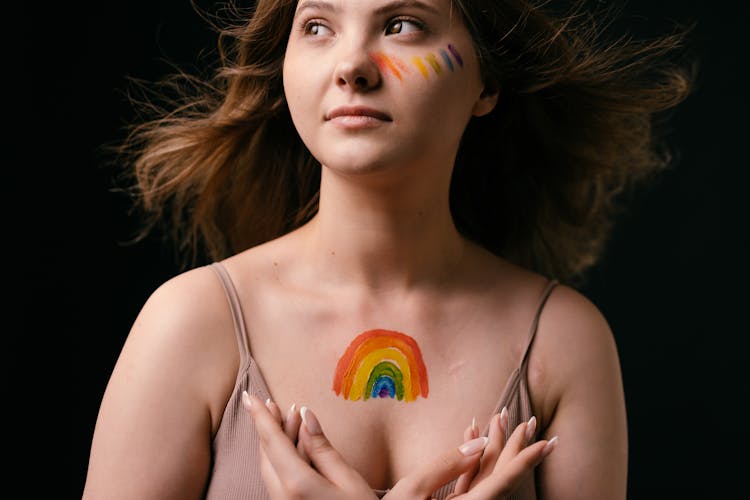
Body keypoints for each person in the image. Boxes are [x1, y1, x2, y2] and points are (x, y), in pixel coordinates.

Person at [83, 0, 693, 498]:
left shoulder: (562, 342)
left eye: (402, 25)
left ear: (486, 81)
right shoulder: (192, 323)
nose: (352, 65)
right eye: (317, 26)